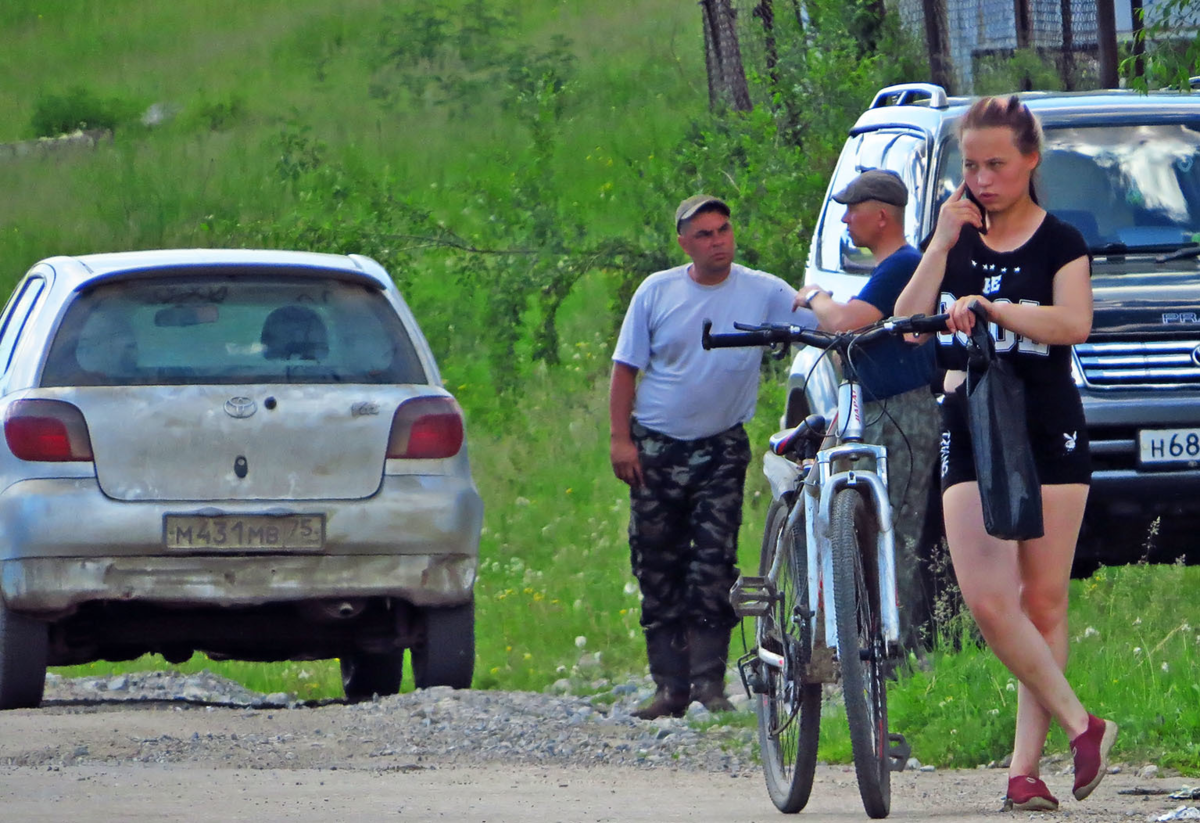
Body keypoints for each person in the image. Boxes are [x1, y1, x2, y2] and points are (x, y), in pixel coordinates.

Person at [894, 95, 1117, 812]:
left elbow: (1072, 323)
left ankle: (1025, 771)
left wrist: (994, 310)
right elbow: (908, 326)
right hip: (972, 417)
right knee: (991, 600)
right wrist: (937, 243)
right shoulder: (955, 240)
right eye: (971, 165)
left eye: (996, 164)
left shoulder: (1061, 241)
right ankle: (1086, 725)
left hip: (1046, 418)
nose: (982, 178)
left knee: (1044, 598)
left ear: (1030, 161)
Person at [610, 194, 817, 720]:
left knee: (712, 564)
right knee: (657, 564)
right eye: (703, 234)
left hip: (721, 447)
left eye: (723, 230)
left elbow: (817, 315)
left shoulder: (761, 289)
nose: (717, 241)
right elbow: (625, 370)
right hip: (656, 445)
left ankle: (709, 685)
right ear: (684, 243)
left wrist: (827, 299)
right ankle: (669, 687)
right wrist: (621, 440)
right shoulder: (657, 292)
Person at [792, 169, 939, 649]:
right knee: (859, 521)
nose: (846, 220)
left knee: (894, 529)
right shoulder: (885, 270)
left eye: (853, 210)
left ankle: (899, 650)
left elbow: (847, 324)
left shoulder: (903, 264)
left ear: (881, 215)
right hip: (875, 407)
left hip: (903, 412)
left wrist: (815, 296)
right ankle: (859, 640)